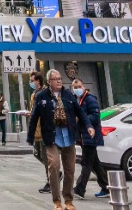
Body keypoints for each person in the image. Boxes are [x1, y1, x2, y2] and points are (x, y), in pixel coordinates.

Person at [27, 69, 91, 210]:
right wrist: (30, 136)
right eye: (55, 79)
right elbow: (34, 117)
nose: (59, 81)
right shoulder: (42, 96)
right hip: (52, 138)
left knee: (70, 170)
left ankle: (68, 200)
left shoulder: (68, 94)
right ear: (49, 81)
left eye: (60, 78)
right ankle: (57, 201)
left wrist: (88, 126)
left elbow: (80, 112)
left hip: (68, 136)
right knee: (54, 166)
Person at [70, 77, 109, 200]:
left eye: (79, 87)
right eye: (74, 87)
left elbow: (96, 117)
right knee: (95, 164)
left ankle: (80, 189)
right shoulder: (78, 100)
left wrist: (81, 119)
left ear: (84, 87)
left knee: (86, 162)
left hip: (90, 136)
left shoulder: (90, 99)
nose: (77, 89)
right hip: (84, 137)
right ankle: (106, 187)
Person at [26, 72, 50, 194]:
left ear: (38, 81)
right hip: (35, 129)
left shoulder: (45, 93)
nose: (31, 83)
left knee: (46, 157)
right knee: (37, 154)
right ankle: (55, 172)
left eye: (32, 80)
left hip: (44, 129)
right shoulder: (33, 94)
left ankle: (51, 181)